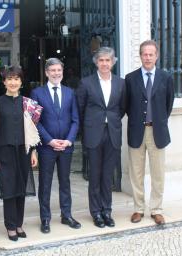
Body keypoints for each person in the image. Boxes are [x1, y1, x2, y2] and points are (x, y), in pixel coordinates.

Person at [125, 40, 174, 225]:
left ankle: (156, 209)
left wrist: (157, 121)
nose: (147, 57)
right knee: (136, 173)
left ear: (156, 56)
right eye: (144, 54)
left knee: (158, 173)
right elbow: (128, 106)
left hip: (158, 132)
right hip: (137, 131)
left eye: (150, 54)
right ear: (140, 56)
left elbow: (168, 105)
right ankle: (138, 209)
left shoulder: (166, 77)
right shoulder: (130, 78)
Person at [76, 47, 126, 228]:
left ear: (113, 62)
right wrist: (87, 128)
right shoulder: (86, 83)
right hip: (93, 134)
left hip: (112, 132)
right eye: (101, 60)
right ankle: (96, 212)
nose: (104, 63)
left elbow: (121, 108)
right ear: (96, 62)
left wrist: (110, 121)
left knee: (108, 175)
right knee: (95, 175)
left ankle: (107, 210)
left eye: (108, 60)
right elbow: (80, 109)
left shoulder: (121, 83)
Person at [30, 58, 81, 234]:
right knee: (45, 183)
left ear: (62, 72)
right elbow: (34, 121)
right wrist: (49, 140)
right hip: (46, 147)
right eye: (52, 70)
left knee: (65, 182)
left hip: (66, 146)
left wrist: (68, 140)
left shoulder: (70, 92)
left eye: (59, 70)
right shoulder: (37, 93)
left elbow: (75, 119)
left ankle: (66, 215)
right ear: (46, 73)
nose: (56, 73)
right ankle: (45, 218)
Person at [0, 66, 38, 241]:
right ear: (4, 82)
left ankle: (19, 224)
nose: (13, 82)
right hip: (4, 151)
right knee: (9, 189)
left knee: (21, 188)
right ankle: (10, 226)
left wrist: (33, 152)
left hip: (24, 151)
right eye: (9, 79)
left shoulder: (28, 103)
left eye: (16, 79)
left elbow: (31, 129)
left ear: (21, 82)